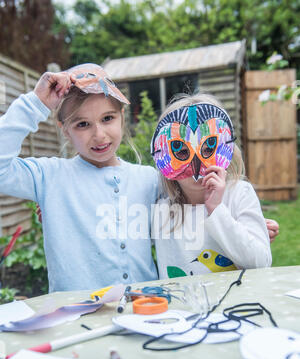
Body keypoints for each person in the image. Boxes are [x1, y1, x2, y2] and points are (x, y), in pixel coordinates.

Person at [0, 63, 158, 292]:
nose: (99, 135)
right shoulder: (49, 178)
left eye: (107, 118)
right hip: (75, 317)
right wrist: (35, 103)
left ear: (122, 117)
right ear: (65, 130)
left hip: (146, 312)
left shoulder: (149, 179)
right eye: (83, 124)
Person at [150, 93, 273, 279]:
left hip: (235, 306)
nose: (198, 166)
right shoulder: (161, 210)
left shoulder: (239, 194)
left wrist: (217, 210)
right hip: (181, 307)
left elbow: (260, 262)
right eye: (181, 151)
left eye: (209, 148)